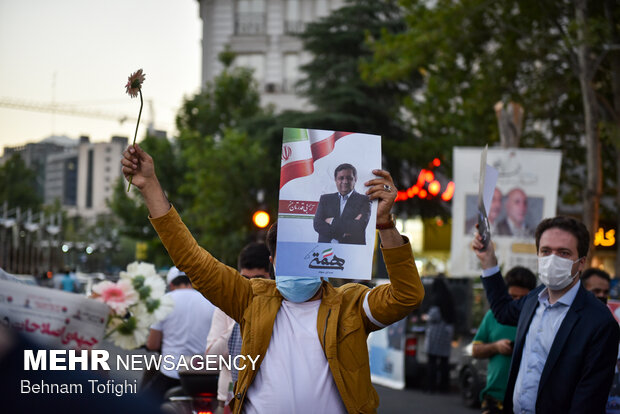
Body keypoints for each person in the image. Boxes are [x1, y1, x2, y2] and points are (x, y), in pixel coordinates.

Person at [122, 144, 424, 414]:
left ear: (322, 255)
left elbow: (406, 296)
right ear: (273, 262)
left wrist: (384, 223)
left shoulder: (352, 304)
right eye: (287, 253)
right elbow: (192, 260)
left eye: (306, 252)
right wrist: (149, 186)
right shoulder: (250, 297)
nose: (298, 262)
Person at [472, 216, 620, 413]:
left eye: (563, 253)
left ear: (581, 262)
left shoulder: (599, 322)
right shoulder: (533, 299)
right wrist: (488, 260)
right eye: (546, 251)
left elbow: (588, 400)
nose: (552, 259)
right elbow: (503, 310)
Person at [205, 242, 271, 410]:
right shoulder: (226, 306)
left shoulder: (280, 308)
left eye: (258, 280)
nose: (251, 286)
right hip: (228, 399)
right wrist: (240, 320)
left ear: (271, 277)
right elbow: (211, 360)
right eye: (245, 280)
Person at [143, 266, 216, 402]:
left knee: (142, 405)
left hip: (170, 375)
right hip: (203, 377)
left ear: (171, 284)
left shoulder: (163, 301)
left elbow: (152, 344)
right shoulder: (211, 302)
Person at [472, 266, 537, 413]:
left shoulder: (538, 319)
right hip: (494, 400)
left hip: (526, 403)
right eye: (513, 297)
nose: (517, 304)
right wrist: (496, 347)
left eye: (523, 299)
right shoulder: (493, 316)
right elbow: (475, 350)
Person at [313, 163, 371, 245]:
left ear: (355, 179)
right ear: (335, 180)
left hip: (352, 251)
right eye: (341, 178)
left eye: (349, 178)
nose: (345, 181)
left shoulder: (364, 200)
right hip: (325, 250)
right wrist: (343, 233)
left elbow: (359, 227)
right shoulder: (325, 199)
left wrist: (332, 221)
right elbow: (317, 224)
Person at [424, 276, 456, 393]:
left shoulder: (435, 298)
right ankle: (444, 387)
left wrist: (426, 317)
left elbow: (434, 316)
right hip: (446, 334)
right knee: (444, 361)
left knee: (432, 361)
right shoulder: (449, 297)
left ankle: (431, 386)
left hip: (435, 334)